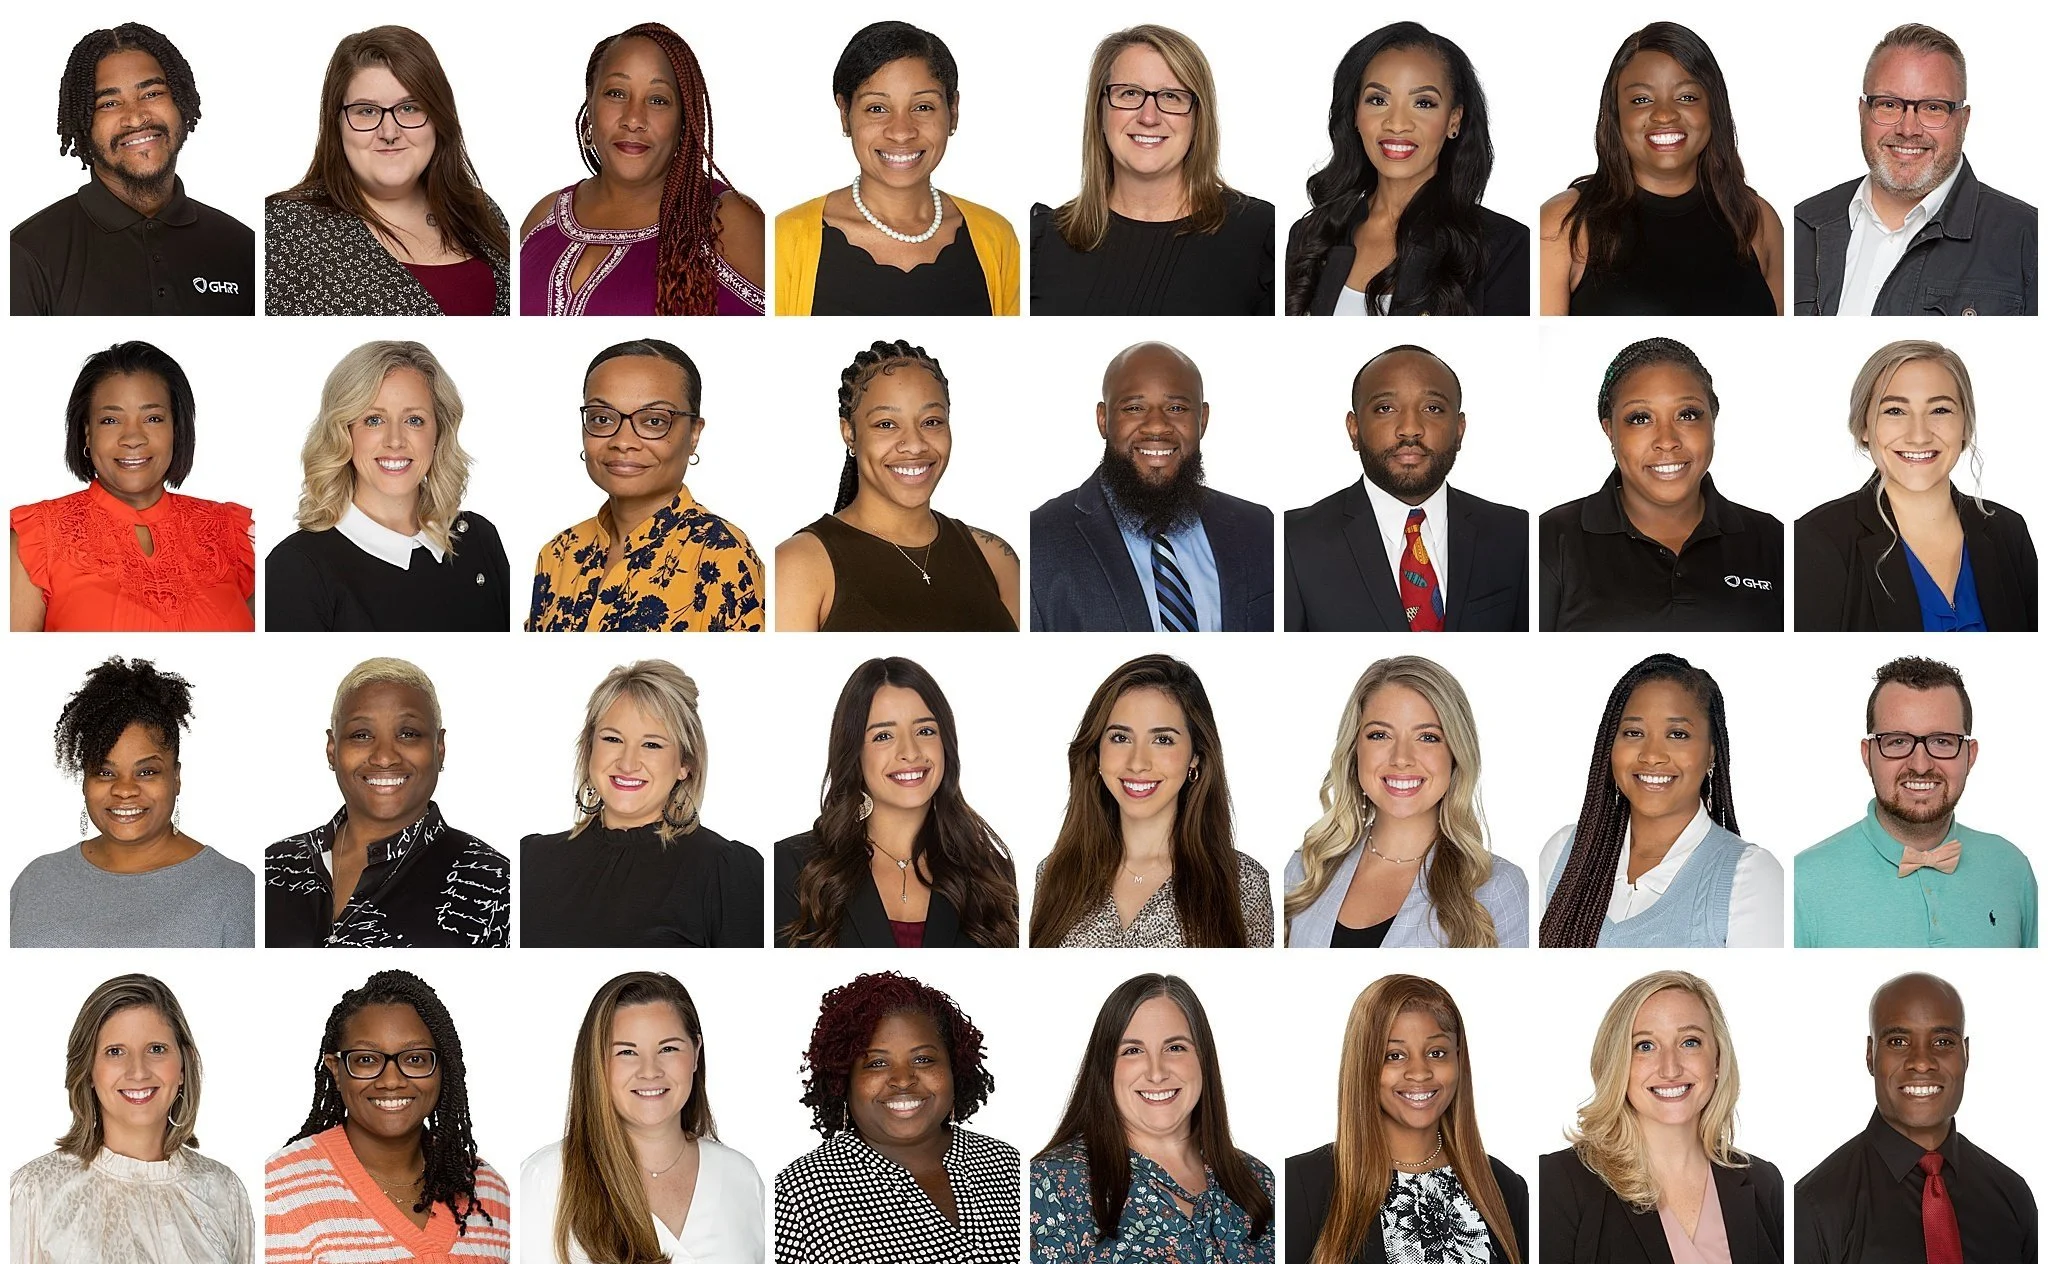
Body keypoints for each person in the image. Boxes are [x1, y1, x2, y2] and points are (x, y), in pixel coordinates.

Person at [1538, 654, 1783, 949]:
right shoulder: (1564, 853)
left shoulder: (1750, 877)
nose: (1652, 755)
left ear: (1711, 754)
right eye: (1633, 733)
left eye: (1677, 734)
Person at [263, 970, 510, 1262]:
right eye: (366, 1059)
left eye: (415, 1059)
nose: (391, 1080)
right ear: (336, 1071)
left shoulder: (488, 1188)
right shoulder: (278, 1192)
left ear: (444, 1068)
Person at [520, 22, 765, 316]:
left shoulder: (726, 222)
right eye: (616, 93)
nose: (634, 118)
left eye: (658, 100)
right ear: (591, 101)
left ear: (684, 119)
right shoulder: (542, 216)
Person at [1030, 655, 1275, 948]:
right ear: (1096, 750)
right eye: (1120, 738)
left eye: (1162, 740)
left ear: (1195, 755)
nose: (1138, 763)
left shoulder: (1244, 885)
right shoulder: (1053, 874)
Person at [1539, 338, 1783, 632]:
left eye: (1688, 415)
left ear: (1713, 424)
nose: (1667, 441)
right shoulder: (1550, 539)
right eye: (1641, 418)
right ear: (1610, 431)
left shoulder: (1773, 540)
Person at [521, 972, 766, 1264]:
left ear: (696, 1052)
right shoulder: (545, 1180)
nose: (650, 1071)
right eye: (626, 1052)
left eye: (668, 1048)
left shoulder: (741, 1177)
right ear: (596, 1062)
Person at [1283, 657, 1529, 949]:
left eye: (1427, 737)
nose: (1401, 758)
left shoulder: (1497, 888)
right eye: (1380, 735)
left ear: (1455, 753)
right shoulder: (1306, 871)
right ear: (1354, 749)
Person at [774, 972, 1019, 1263]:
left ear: (955, 1068)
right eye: (877, 1063)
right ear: (844, 1081)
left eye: (923, 1059)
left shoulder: (1009, 1164)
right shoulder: (797, 1198)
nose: (903, 1080)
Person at [264, 658, 509, 948]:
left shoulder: (497, 884)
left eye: (408, 734)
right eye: (361, 735)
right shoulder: (274, 865)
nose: (384, 757)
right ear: (332, 749)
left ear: (439, 749)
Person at [1539, 22, 1782, 316]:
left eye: (1687, 97)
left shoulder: (1757, 220)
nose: (1665, 114)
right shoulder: (1562, 225)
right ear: (1616, 115)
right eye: (1641, 99)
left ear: (1712, 108)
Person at [775, 341, 1019, 632]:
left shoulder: (996, 559)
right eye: (887, 424)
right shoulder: (798, 566)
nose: (915, 445)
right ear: (849, 432)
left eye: (931, 421)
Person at [265, 341, 510, 632]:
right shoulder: (296, 567)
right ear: (343, 431)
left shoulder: (479, 538)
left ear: (438, 432)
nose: (395, 440)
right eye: (374, 420)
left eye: (414, 420)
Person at [1794, 25, 2038, 317]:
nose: (1908, 129)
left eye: (1933, 108)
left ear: (1964, 120)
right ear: (1862, 112)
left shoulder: (2029, 239)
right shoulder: (1804, 223)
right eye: (1888, 104)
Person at [11, 341, 254, 633]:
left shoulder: (232, 534)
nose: (133, 437)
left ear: (176, 430)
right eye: (110, 420)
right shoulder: (36, 538)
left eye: (153, 418)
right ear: (87, 434)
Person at [1285, 24, 1528, 316]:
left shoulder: (1503, 247)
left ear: (1454, 120)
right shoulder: (1311, 236)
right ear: (1354, 114)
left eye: (1423, 103)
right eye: (1378, 100)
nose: (1397, 123)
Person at [775, 23, 1017, 316]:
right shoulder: (784, 240)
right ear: (845, 114)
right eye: (877, 108)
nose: (901, 132)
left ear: (953, 111)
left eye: (923, 107)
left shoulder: (997, 237)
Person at [1794, 973, 2038, 1263]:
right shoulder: (1815, 1207)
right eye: (1898, 1041)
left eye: (1943, 1041)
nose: (1922, 1062)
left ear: (1966, 1054)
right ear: (1870, 1055)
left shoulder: (2013, 1196)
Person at [1541, 972, 1783, 1263]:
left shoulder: (1765, 1182)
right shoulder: (1556, 1184)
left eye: (1690, 1042)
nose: (1670, 1069)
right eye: (1645, 1046)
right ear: (1617, 1064)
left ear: (1717, 1059)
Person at [1794, 656, 2036, 948]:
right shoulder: (1802, 882)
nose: (1920, 765)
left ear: (1969, 755)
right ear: (1867, 755)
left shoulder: (2012, 867)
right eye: (1897, 741)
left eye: (1942, 741)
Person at [776, 657, 1019, 948]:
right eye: (883, 736)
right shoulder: (791, 868)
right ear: (854, 753)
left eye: (925, 731)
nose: (910, 751)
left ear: (946, 743)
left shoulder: (992, 875)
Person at [1031, 342, 1274, 632]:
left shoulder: (1260, 528)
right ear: (1103, 419)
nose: (1157, 426)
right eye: (1134, 407)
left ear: (1203, 420)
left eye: (1176, 407)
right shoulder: (1039, 541)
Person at [12, 23, 253, 315]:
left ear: (181, 102)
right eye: (110, 103)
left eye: (152, 94)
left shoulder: (242, 247)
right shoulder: (27, 254)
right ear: (84, 122)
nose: (136, 117)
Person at [1795, 341, 2036, 632]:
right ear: (1863, 426)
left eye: (1940, 410)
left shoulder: (2008, 530)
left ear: (1965, 425)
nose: (1919, 436)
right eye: (1895, 411)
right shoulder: (1817, 540)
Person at [12, 657, 253, 948]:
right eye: (104, 772)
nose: (125, 789)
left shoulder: (234, 890)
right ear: (85, 781)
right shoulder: (36, 880)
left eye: (147, 771)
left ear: (175, 778)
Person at [10, 975, 253, 1263]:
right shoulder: (36, 1191)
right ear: (88, 1070)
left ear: (183, 1067)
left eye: (156, 1049)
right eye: (115, 1052)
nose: (138, 1071)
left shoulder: (223, 1191)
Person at [265, 27, 509, 315]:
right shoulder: (284, 227)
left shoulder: (480, 209)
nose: (389, 131)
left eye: (409, 108)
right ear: (337, 123)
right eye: (367, 111)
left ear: (439, 117)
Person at [1284, 345, 1529, 631]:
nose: (1410, 428)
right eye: (1385, 408)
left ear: (1459, 429)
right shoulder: (1292, 541)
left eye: (1432, 408)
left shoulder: (1516, 533)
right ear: (1354, 428)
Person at [1033, 25, 1273, 315]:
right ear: (1100, 110)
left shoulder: (1262, 235)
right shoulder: (1041, 241)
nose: (1149, 117)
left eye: (1172, 97)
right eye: (1130, 93)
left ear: (1199, 117)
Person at [1032, 975, 1275, 1262]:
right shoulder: (1049, 1186)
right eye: (1132, 1051)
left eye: (1175, 1048)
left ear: (1203, 1059)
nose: (1156, 1073)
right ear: (1106, 1067)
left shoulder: (1259, 1180)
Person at [528, 339, 765, 632]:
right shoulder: (558, 553)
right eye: (602, 418)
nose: (623, 442)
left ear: (693, 434)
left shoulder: (722, 554)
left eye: (653, 421)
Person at [1286, 976, 1527, 1264]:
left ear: (1459, 1060)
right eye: (1395, 1055)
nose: (1420, 1072)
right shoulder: (1301, 1184)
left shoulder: (1504, 1186)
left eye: (1436, 1053)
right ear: (1364, 1065)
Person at [522, 661, 763, 947]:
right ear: (590, 749)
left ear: (685, 763)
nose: (627, 763)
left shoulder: (726, 872)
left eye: (652, 745)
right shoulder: (530, 859)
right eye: (613, 739)